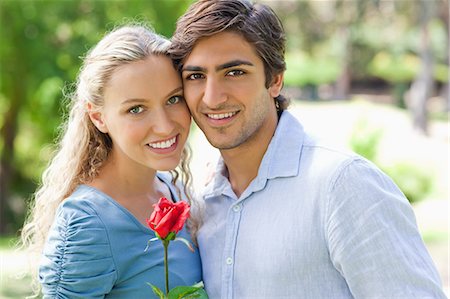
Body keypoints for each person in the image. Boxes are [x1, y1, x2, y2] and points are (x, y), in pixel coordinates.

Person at [169, 0, 447, 298]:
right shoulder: (203, 201)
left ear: (275, 80)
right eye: (196, 76)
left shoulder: (343, 186)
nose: (212, 98)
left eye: (234, 72)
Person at [20, 25, 202, 298]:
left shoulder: (170, 190)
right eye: (136, 109)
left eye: (173, 99)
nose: (165, 127)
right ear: (99, 117)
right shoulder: (88, 223)